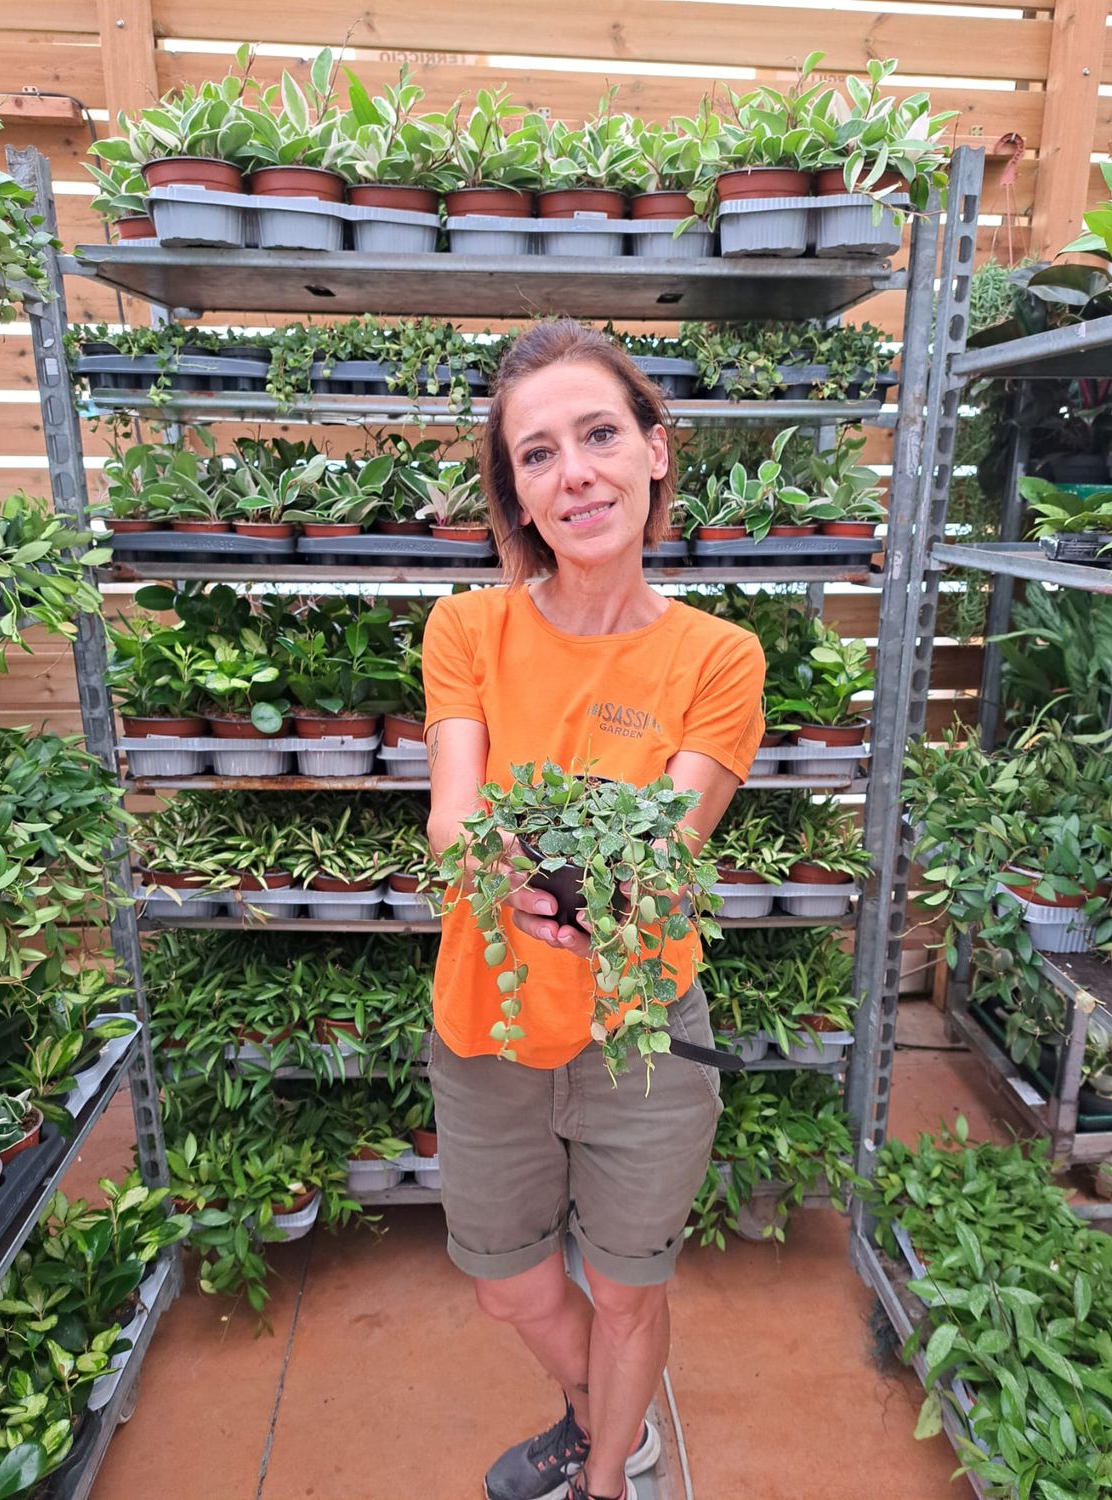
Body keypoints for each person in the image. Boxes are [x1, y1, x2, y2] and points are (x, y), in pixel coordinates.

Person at [423, 320, 765, 1500]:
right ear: (515, 492)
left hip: (642, 1036)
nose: (574, 473)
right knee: (508, 1281)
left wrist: (607, 889)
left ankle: (609, 1475)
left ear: (655, 452)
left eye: (600, 434)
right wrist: (509, 880)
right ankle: (602, 1414)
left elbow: (672, 839)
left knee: (628, 1290)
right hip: (490, 1023)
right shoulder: (469, 629)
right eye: (536, 453)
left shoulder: (719, 657)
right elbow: (454, 816)